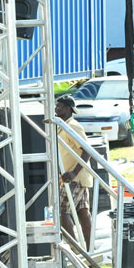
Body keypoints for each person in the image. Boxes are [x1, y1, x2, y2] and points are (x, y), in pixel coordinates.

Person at [55, 94, 93, 248]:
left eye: (59, 106)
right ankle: (89, 251)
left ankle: (76, 251)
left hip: (75, 177)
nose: (56, 108)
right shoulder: (62, 126)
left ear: (68, 108)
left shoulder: (73, 126)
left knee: (62, 212)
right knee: (83, 214)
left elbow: (87, 150)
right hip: (73, 176)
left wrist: (74, 173)